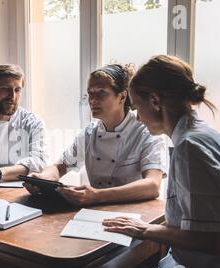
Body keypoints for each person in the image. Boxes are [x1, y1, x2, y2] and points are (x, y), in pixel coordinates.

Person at [103, 55, 220, 268]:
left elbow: (208, 239)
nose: (138, 118)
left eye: (136, 106)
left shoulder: (190, 148)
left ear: (154, 101)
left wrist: (145, 230)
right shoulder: (205, 134)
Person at [24, 64, 168, 206]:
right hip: (95, 210)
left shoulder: (146, 132)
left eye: (101, 93)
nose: (93, 100)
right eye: (90, 93)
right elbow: (60, 166)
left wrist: (97, 196)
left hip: (134, 214)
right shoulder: (89, 133)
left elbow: (153, 185)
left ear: (122, 96)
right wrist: (42, 179)